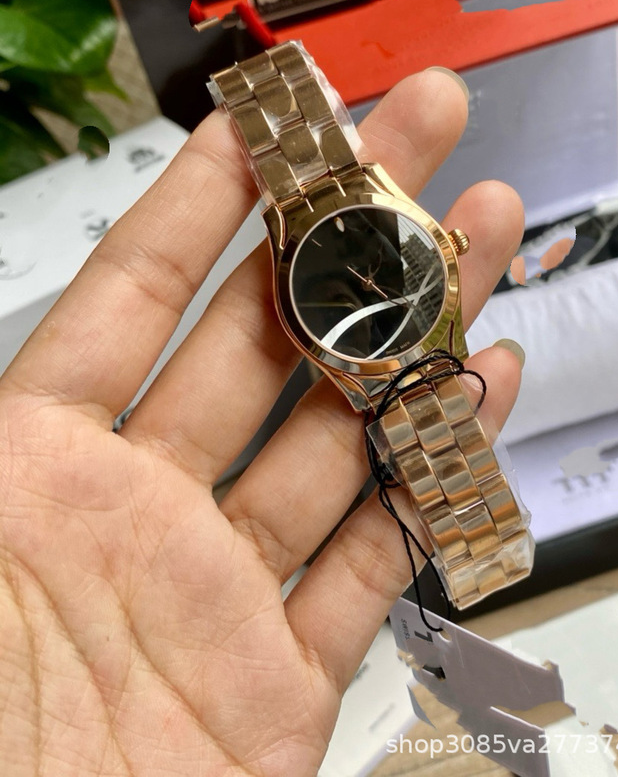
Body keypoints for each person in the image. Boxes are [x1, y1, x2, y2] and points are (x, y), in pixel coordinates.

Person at [0, 68, 525, 775]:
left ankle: (490, 549)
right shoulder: (317, 296)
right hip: (373, 359)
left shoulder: (404, 256)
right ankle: (488, 548)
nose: (370, 284)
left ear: (444, 247)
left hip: (411, 352)